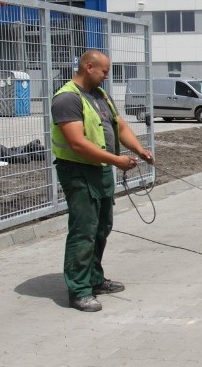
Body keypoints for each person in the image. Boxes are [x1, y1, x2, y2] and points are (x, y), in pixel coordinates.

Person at [51, 50, 154, 312]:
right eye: (104, 71)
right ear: (88, 67)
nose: (107, 76)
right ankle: (79, 290)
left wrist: (139, 149)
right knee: (84, 229)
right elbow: (77, 143)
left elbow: (119, 126)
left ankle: (94, 279)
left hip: (99, 171)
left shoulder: (100, 95)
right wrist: (116, 160)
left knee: (101, 227)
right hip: (78, 172)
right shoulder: (67, 99)